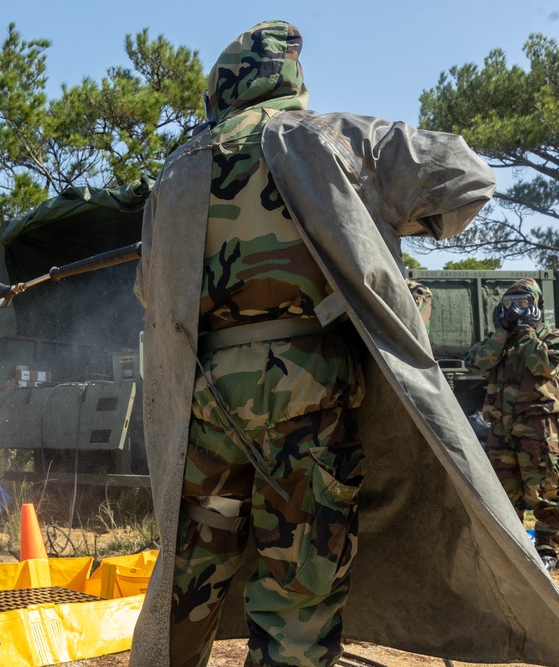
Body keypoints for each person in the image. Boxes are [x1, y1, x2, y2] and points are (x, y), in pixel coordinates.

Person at [131, 21, 500, 667]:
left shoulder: (176, 169)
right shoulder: (326, 136)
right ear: (290, 81)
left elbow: (149, 294)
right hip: (304, 392)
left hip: (207, 404)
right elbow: (465, 177)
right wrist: (384, 223)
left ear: (222, 89)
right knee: (298, 580)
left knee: (195, 570)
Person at [464, 278, 559, 571]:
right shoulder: (499, 342)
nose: (514, 310)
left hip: (538, 428)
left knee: (547, 493)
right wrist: (501, 335)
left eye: (522, 304)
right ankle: (512, 552)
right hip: (501, 430)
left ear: (536, 307)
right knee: (503, 496)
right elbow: (475, 363)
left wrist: (528, 332)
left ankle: (548, 552)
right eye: (509, 304)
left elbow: (542, 365)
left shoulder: (550, 337)